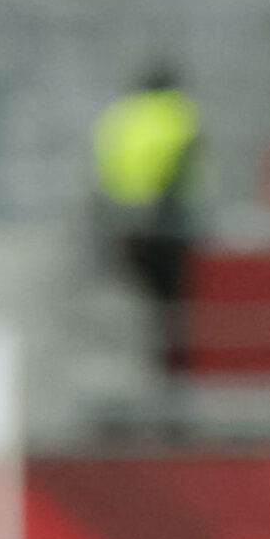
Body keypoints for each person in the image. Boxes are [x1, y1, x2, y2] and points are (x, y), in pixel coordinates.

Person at [90, 62, 200, 383]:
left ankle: (143, 379)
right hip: (168, 228)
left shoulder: (119, 115)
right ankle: (170, 382)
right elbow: (181, 169)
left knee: (139, 310)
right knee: (170, 310)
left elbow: (104, 168)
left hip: (123, 226)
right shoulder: (180, 113)